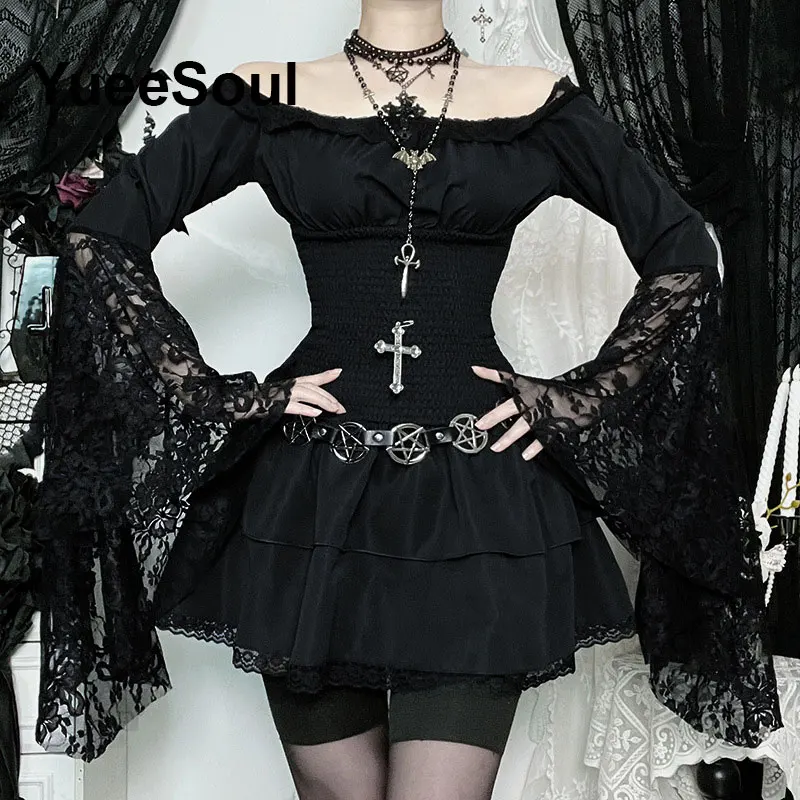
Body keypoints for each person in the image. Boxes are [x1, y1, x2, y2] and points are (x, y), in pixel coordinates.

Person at [33, 0, 781, 796]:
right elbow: (100, 234)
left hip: (477, 503)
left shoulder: (535, 101)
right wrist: (220, 396)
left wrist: (579, 400)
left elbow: (686, 253)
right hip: (309, 501)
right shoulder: (260, 95)